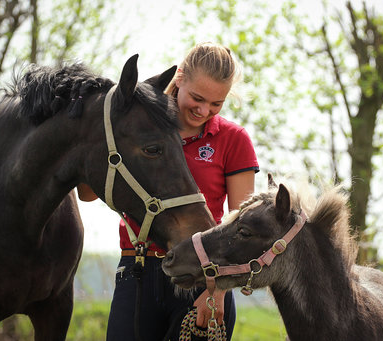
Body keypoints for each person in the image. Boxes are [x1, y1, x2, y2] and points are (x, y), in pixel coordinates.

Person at [78, 42, 259, 340]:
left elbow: (242, 226)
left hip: (203, 278)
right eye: (198, 98)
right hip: (137, 270)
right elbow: (86, 194)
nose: (204, 111)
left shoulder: (233, 139)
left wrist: (218, 291)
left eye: (217, 104)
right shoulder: (135, 126)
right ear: (179, 78)